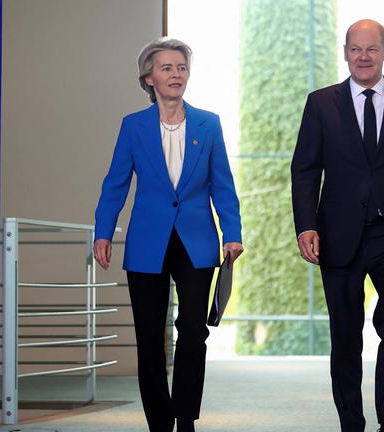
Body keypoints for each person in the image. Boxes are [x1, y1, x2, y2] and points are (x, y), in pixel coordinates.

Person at [290, 19, 384, 432]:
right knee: (345, 335)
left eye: (371, 49)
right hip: (338, 235)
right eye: (355, 49)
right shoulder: (321, 103)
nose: (362, 56)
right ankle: (351, 424)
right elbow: (305, 169)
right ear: (345, 53)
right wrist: (306, 226)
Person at [93, 37, 243, 432]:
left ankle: (186, 418)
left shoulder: (209, 124)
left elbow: (222, 184)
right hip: (147, 241)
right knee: (149, 336)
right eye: (166, 68)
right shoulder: (133, 126)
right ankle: (160, 423)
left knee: (193, 332)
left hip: (197, 241)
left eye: (181, 68)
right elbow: (115, 184)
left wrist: (233, 231)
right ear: (149, 78)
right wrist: (103, 232)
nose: (175, 75)